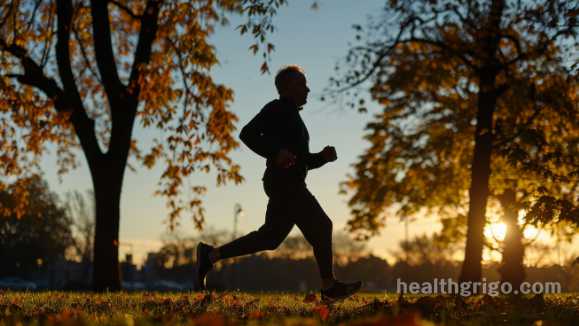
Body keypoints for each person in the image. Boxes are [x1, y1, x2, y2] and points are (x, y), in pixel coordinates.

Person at [195, 65, 361, 302]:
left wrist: (321, 158)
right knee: (322, 226)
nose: (308, 89)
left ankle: (210, 256)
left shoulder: (294, 116)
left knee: (270, 239)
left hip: (288, 182)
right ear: (287, 88)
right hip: (284, 184)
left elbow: (299, 161)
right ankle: (329, 287)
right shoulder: (277, 108)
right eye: (302, 84)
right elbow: (247, 134)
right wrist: (275, 152)